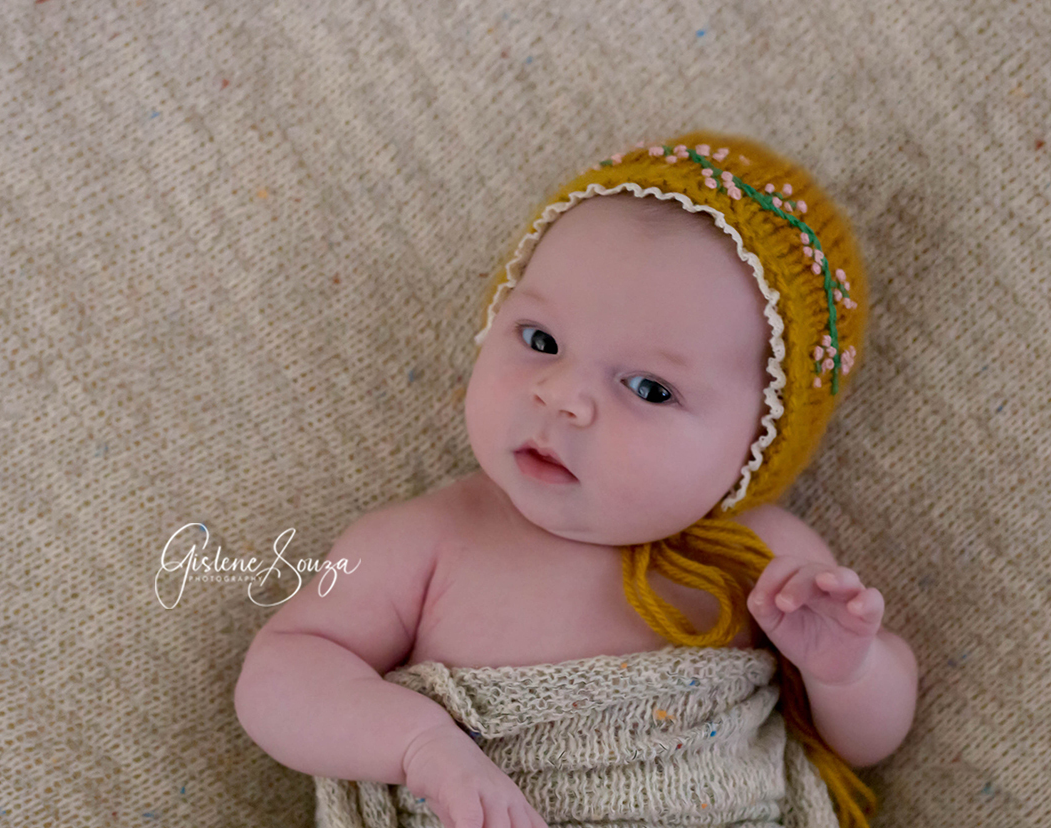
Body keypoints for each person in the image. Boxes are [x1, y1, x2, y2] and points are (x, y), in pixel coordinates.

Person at [234, 131, 919, 828]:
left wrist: (847, 671)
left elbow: (865, 742)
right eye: (541, 341)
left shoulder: (765, 564)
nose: (562, 395)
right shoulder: (424, 542)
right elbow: (283, 673)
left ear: (760, 443)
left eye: (649, 388)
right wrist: (417, 744)